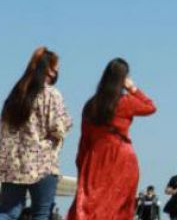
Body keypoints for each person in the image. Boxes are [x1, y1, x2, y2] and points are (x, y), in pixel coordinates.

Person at [66, 58, 156, 219]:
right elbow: (150, 107)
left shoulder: (90, 105)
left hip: (95, 157)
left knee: (91, 202)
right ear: (123, 78)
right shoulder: (125, 101)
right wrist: (133, 88)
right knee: (118, 205)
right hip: (122, 156)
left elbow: (84, 139)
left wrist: (81, 166)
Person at [0, 47, 71, 220]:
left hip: (13, 164)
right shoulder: (51, 94)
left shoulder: (16, 95)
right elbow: (58, 127)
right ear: (49, 69)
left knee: (8, 212)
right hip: (42, 164)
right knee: (41, 213)